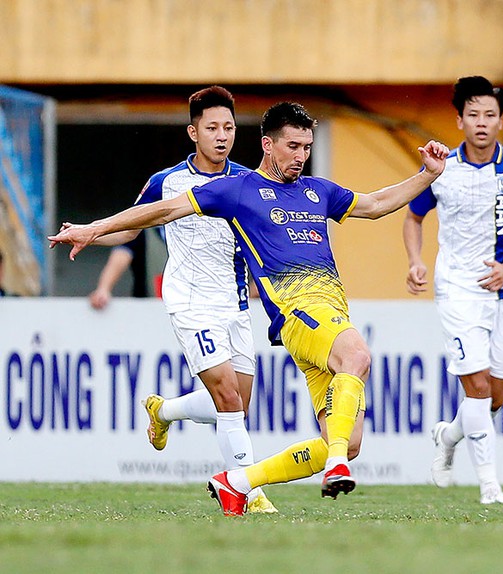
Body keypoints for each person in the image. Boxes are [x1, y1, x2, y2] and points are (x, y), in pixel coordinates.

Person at [50, 101, 450, 517]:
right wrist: (94, 228)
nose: (301, 156)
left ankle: (238, 482)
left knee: (347, 439)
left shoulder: (318, 191)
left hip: (324, 315)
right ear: (267, 145)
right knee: (357, 357)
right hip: (298, 312)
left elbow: (375, 204)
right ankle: (334, 466)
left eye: (307, 147)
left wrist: (426, 175)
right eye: (292, 146)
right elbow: (165, 210)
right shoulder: (239, 190)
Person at [59, 85, 277, 514]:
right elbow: (131, 229)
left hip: (234, 306)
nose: (222, 135)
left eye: (229, 127)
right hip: (190, 304)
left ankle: (165, 411)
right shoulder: (167, 181)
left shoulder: (248, 182)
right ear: (193, 132)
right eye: (212, 127)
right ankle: (249, 494)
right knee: (229, 400)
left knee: (236, 405)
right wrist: (91, 233)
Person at [403, 76, 503, 504]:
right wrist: (416, 261)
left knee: (495, 398)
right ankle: (490, 485)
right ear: (460, 120)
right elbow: (413, 217)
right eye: (473, 115)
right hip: (456, 290)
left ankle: (448, 436)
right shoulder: (440, 168)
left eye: (490, 115)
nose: (481, 123)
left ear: (501, 121)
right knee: (478, 389)